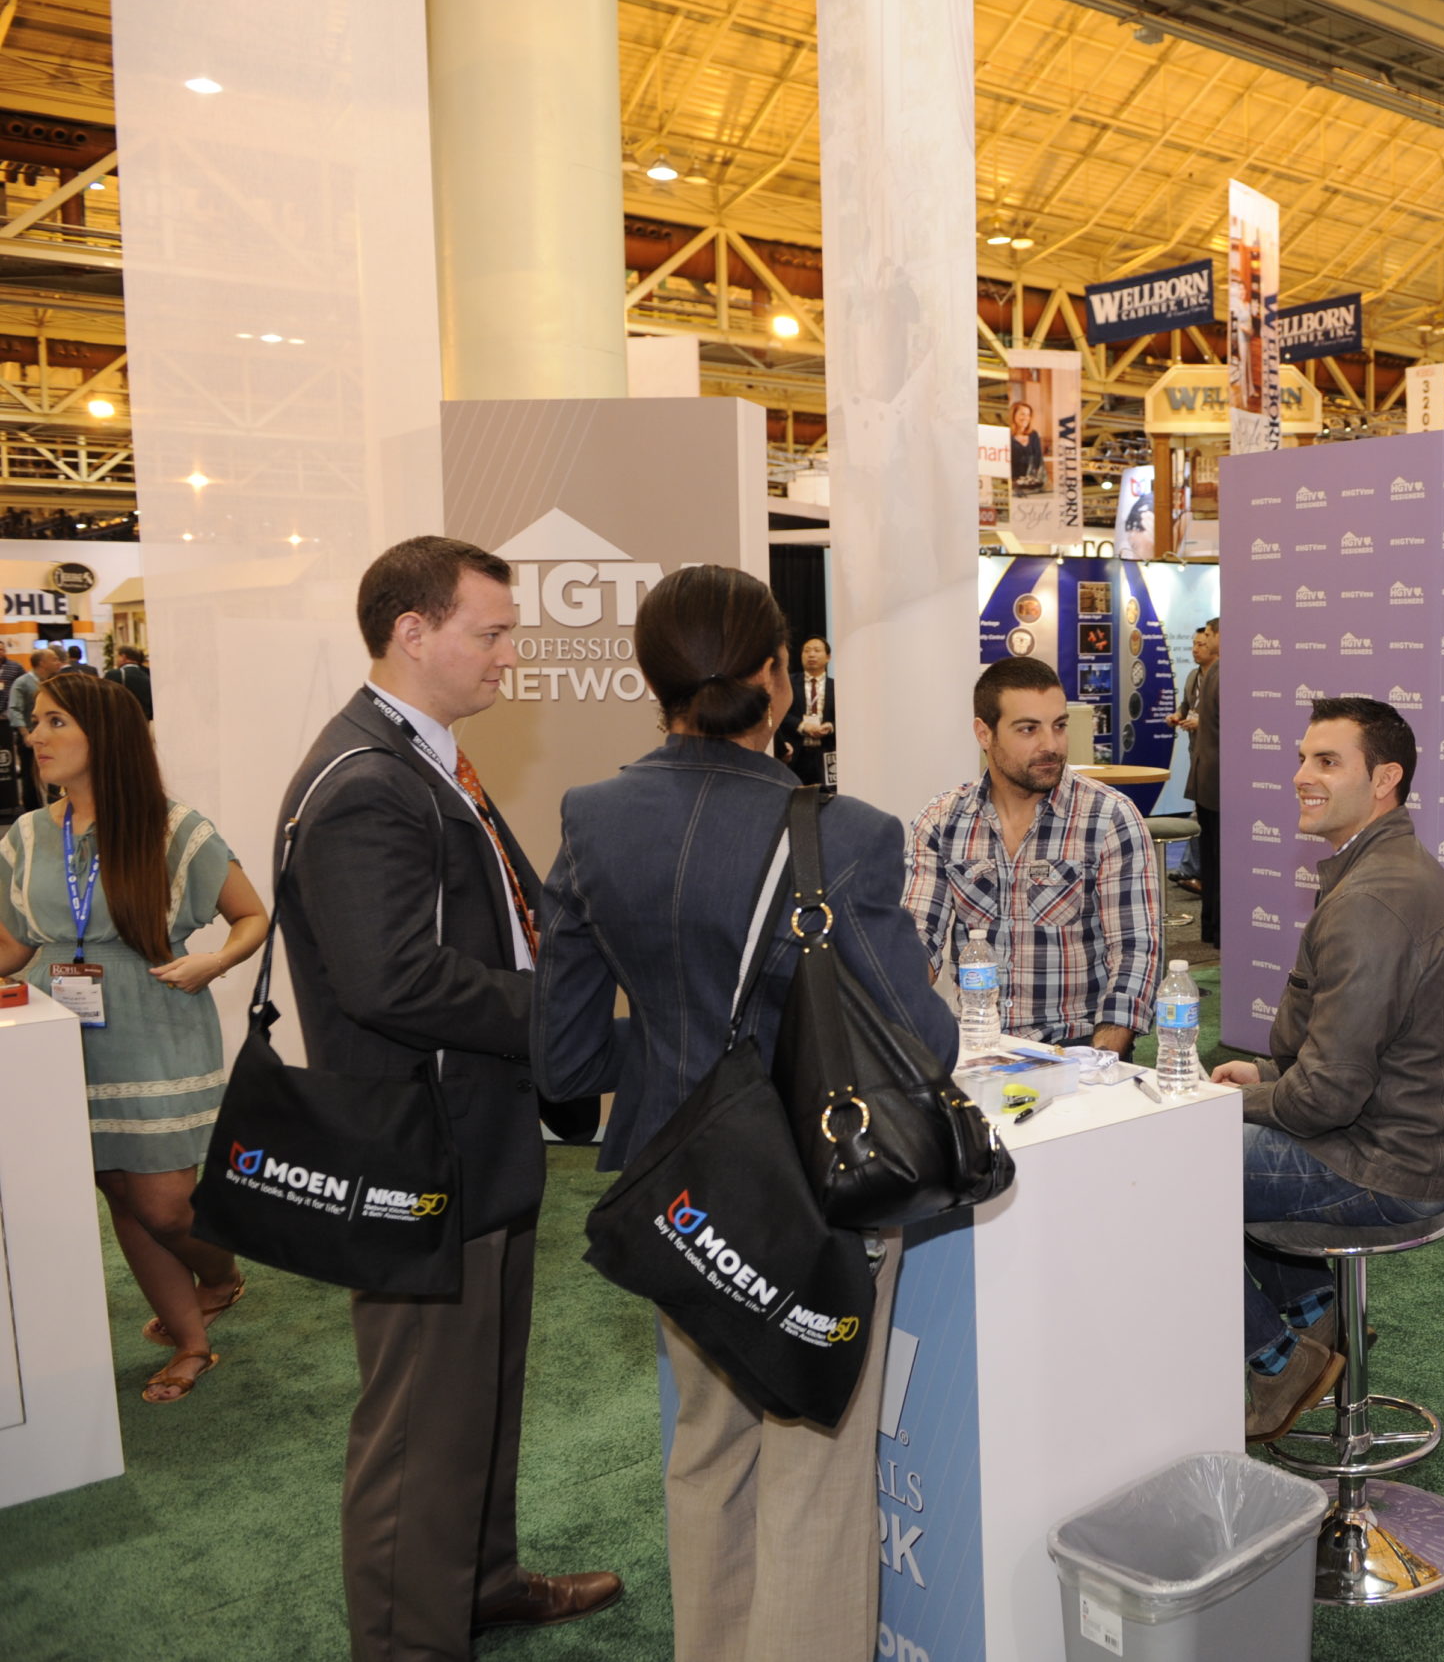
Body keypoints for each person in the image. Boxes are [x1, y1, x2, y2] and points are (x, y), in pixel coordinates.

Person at [536, 564, 953, 1660]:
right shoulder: (844, 832)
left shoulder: (591, 817)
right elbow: (923, 1045)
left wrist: (676, 1061)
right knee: (813, 1469)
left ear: (652, 680)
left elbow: (563, 1058)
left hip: (674, 1188)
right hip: (813, 1198)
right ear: (779, 675)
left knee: (707, 1449)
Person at [273, 536, 620, 1659]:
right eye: (493, 632)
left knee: (476, 1394)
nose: (511, 655)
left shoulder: (419, 761)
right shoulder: (367, 780)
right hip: (419, 1150)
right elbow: (392, 979)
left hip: (472, 1134)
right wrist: (566, 1021)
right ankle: (407, 1638)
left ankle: (478, 1581)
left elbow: (497, 925)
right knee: (421, 1419)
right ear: (412, 632)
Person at [1210, 697, 1444, 1442]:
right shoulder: (1381, 870)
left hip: (1384, 1162)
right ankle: (1317, 1318)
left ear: (1385, 779)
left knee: (1168, 1169)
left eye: (1327, 761)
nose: (1302, 775)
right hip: (1398, 1140)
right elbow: (1347, 1057)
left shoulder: (1373, 897)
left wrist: (1235, 1104)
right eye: (1303, 758)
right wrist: (1266, 1081)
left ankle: (1276, 1360)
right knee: (1204, 1146)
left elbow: (1326, 1097)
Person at [0, 673, 267, 1403]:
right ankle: (191, 1340)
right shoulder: (26, 835)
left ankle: (220, 1275)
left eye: (54, 722)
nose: (34, 736)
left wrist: (215, 960)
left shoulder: (176, 829)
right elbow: (15, 946)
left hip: (156, 1024)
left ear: (105, 736)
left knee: (166, 1203)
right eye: (36, 723)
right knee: (117, 1188)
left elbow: (251, 915)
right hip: (59, 1035)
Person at [904, 656, 1161, 1054]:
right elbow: (919, 939)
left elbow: (1135, 951)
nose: (1051, 745)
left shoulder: (1109, 817)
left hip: (1075, 1045)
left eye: (1059, 726)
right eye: (1028, 729)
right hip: (976, 1043)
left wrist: (1099, 1060)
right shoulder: (941, 820)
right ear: (984, 733)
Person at [1184, 618, 1222, 944]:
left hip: (1208, 778)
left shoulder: (1214, 673)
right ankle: (1218, 929)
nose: (1204, 642)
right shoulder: (1222, 673)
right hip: (1218, 782)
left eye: (1208, 636)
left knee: (1212, 858)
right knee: (1217, 859)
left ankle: (1212, 928)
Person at [777, 634, 836, 788]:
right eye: (807, 650)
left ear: (828, 657)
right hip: (796, 753)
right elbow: (778, 712)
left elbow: (847, 718)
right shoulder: (788, 683)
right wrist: (802, 726)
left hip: (826, 751)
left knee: (827, 796)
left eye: (817, 650)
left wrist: (831, 726)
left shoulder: (837, 686)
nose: (811, 654)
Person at [10, 647, 62, 815]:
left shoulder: (54, 682)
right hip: (30, 736)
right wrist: (26, 734)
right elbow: (14, 709)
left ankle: (56, 805)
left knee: (56, 771)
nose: (58, 662)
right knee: (30, 776)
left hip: (53, 736)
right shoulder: (22, 683)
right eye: (54, 659)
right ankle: (32, 812)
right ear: (42, 663)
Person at [1007, 397, 1047, 494]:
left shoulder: (1033, 435)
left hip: (1032, 484)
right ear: (1013, 415)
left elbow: (1038, 460)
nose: (1026, 418)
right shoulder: (1006, 436)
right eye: (1022, 414)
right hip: (1013, 486)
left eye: (1028, 415)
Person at [106, 645, 153, 721]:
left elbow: (107, 700)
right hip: (143, 719)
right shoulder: (148, 674)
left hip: (122, 720)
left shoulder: (115, 674)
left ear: (123, 657)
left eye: (117, 656)